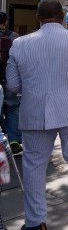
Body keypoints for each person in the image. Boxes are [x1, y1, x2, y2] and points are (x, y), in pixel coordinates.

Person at [5, 0, 68, 230]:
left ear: (38, 18)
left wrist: (32, 91)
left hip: (35, 111)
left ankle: (35, 221)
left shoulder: (20, 44)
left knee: (33, 167)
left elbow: (12, 83)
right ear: (62, 16)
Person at [0, 11, 21, 155]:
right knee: (12, 108)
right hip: (9, 77)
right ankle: (13, 140)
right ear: (5, 22)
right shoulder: (14, 37)